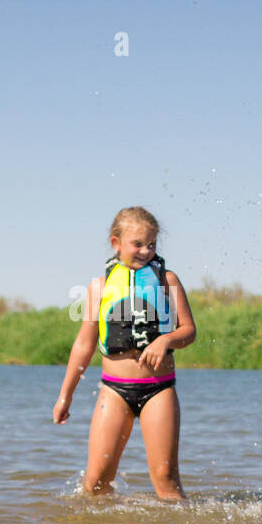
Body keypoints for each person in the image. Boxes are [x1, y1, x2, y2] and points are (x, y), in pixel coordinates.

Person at [53, 207, 196, 500]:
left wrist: (165, 340)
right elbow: (84, 345)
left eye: (152, 244)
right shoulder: (99, 287)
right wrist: (65, 395)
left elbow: (189, 332)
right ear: (115, 243)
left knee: (166, 480)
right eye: (138, 244)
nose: (146, 250)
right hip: (113, 391)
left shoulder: (167, 281)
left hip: (158, 390)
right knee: (95, 484)